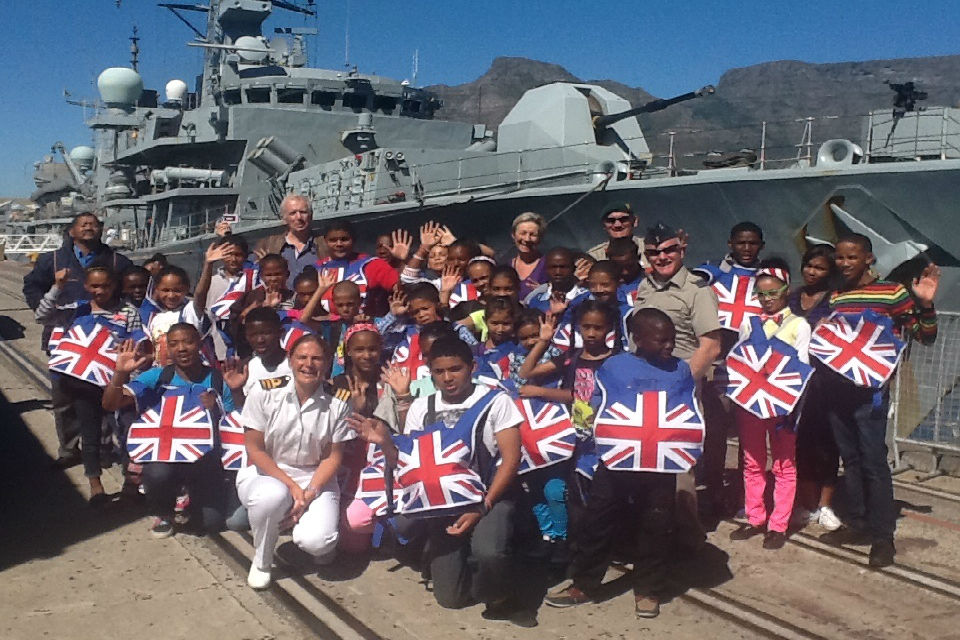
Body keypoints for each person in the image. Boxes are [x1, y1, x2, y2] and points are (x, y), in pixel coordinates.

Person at [347, 337, 524, 617]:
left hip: (489, 494)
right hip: (443, 502)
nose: (447, 378)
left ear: (472, 367)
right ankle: (446, 556)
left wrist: (484, 507)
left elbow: (512, 460)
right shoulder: (422, 407)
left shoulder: (496, 401)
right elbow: (409, 462)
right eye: (439, 372)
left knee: (489, 552)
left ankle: (501, 589)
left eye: (455, 369)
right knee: (450, 599)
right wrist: (384, 443)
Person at [545, 308, 690, 618]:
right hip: (616, 459)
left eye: (672, 340)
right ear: (638, 339)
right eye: (661, 340)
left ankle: (648, 588)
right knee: (598, 519)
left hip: (659, 461)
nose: (669, 346)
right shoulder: (614, 367)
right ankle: (584, 583)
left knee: (657, 523)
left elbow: (686, 411)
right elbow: (600, 407)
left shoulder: (681, 369)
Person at [820, 234, 939, 567]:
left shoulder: (892, 293)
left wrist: (926, 304)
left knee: (874, 463)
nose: (843, 263)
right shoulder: (837, 296)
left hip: (870, 394)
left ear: (869, 259)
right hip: (838, 390)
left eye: (851, 257)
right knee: (851, 460)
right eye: (840, 258)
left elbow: (925, 336)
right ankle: (858, 522)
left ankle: (882, 537)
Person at [237, 334, 354, 588]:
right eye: (302, 357)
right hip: (267, 471)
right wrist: (292, 488)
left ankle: (310, 534)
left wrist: (308, 494)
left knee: (317, 542)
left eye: (317, 358)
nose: (308, 364)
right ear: (290, 361)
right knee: (272, 497)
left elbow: (333, 456)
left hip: (316, 475)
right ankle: (261, 560)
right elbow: (255, 449)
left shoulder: (340, 401)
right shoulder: (264, 391)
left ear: (328, 363)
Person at [103, 324, 236, 537]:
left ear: (200, 345)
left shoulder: (218, 379)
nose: (181, 348)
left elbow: (233, 425)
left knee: (210, 524)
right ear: (167, 349)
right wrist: (120, 374)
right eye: (174, 344)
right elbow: (111, 404)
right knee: (157, 473)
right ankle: (163, 511)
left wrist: (216, 409)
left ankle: (192, 497)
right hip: (165, 456)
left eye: (188, 342)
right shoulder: (157, 377)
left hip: (205, 460)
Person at [23, 212, 133, 468]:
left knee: (103, 398)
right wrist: (44, 306)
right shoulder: (51, 260)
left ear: (102, 230)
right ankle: (69, 449)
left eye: (94, 224)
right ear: (71, 231)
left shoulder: (117, 261)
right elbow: (32, 286)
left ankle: (102, 448)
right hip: (65, 339)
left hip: (104, 342)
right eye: (83, 224)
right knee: (64, 400)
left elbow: (133, 285)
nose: (89, 228)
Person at [37, 264, 144, 504]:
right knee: (90, 432)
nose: (100, 291)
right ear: (86, 286)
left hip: (114, 383)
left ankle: (131, 483)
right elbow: (42, 316)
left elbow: (139, 342)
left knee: (125, 432)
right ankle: (95, 484)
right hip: (82, 384)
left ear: (114, 286)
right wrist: (57, 287)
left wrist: (133, 360)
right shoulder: (76, 309)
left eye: (105, 285)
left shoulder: (128, 312)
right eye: (94, 286)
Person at [727, 261, 810, 550]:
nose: (767, 299)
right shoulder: (748, 323)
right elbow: (741, 360)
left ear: (786, 291)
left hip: (783, 405)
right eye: (762, 294)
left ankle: (779, 524)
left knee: (784, 464)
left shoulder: (799, 325)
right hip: (750, 402)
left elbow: (802, 369)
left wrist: (793, 408)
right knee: (752, 461)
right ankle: (755, 517)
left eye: (773, 292)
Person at [789, 245, 843, 531]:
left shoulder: (835, 299)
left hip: (826, 382)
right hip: (796, 382)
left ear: (829, 271)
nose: (813, 272)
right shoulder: (792, 297)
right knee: (802, 444)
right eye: (809, 265)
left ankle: (825, 505)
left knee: (827, 445)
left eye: (820, 267)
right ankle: (806, 504)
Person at [316, 220, 400, 317]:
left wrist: (401, 261)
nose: (339, 244)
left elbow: (401, 290)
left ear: (354, 239)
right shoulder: (317, 269)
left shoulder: (372, 264)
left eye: (344, 239)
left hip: (368, 328)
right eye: (333, 240)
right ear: (325, 241)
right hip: (328, 329)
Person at [253, 195, 329, 288]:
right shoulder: (268, 246)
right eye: (293, 213)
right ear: (284, 218)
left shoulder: (325, 244)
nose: (299, 217)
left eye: (303, 212)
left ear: (311, 215)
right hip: (281, 300)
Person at [523, 247, 586, 313]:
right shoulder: (534, 302)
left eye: (563, 267)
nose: (558, 272)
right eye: (553, 267)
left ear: (573, 268)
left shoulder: (586, 298)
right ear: (546, 269)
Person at [504, 212, 549, 299]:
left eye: (533, 235)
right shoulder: (506, 268)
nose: (527, 239)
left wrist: (545, 291)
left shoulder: (549, 266)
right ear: (513, 235)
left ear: (540, 238)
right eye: (523, 233)